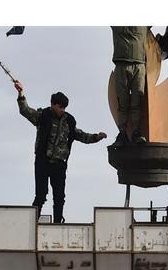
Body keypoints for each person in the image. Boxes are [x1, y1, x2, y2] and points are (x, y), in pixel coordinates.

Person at [13, 80, 107, 225]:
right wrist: (20, 93)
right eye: (60, 106)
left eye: (64, 107)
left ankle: (57, 223)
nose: (62, 109)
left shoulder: (69, 121)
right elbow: (25, 110)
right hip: (43, 162)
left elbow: (81, 135)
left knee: (59, 196)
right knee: (41, 195)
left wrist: (96, 137)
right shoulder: (42, 116)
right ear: (53, 104)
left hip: (59, 164)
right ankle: (31, 223)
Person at [111, 26, 149, 145]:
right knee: (122, 102)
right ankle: (122, 133)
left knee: (137, 100)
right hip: (121, 64)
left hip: (139, 64)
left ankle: (136, 132)